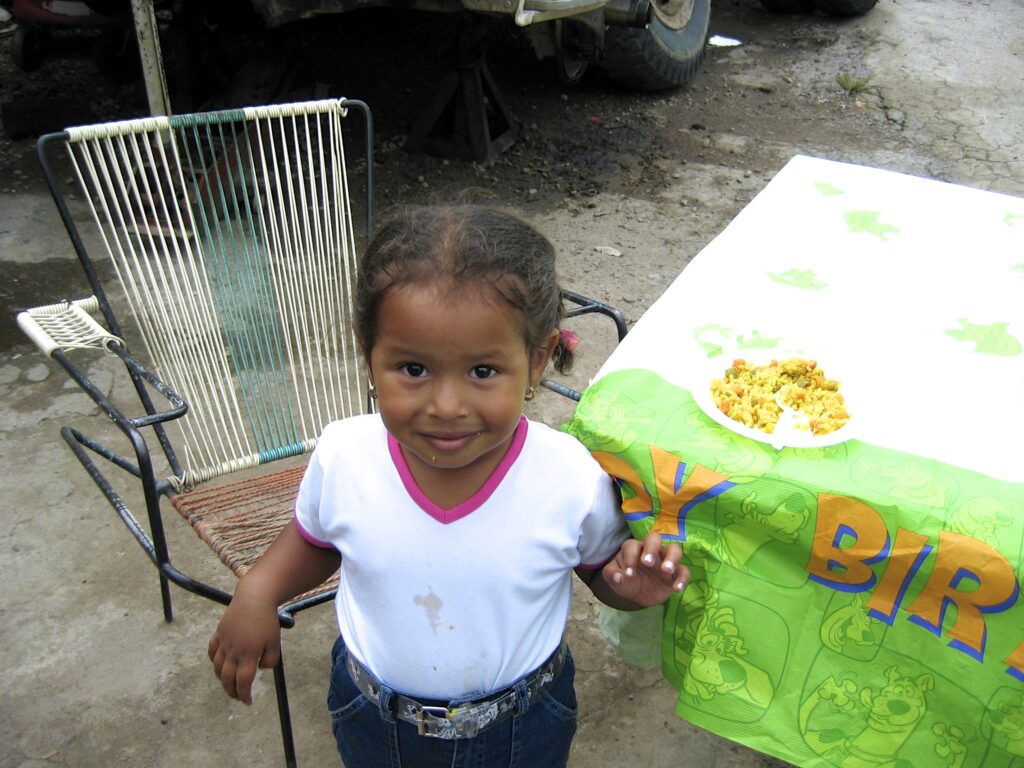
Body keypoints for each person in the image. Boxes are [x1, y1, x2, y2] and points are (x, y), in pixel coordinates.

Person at [208, 203, 690, 767]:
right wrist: (258, 591)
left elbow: (598, 572)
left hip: (521, 727)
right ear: (369, 354)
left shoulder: (567, 476)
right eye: (413, 369)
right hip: (372, 717)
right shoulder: (344, 455)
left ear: (536, 362)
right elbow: (316, 542)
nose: (445, 406)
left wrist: (628, 591)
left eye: (483, 372)